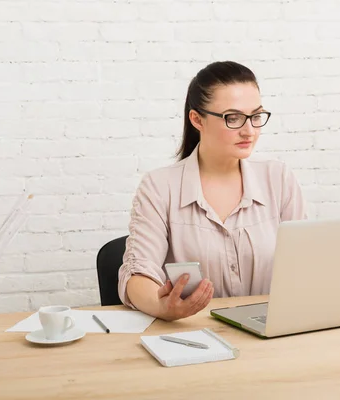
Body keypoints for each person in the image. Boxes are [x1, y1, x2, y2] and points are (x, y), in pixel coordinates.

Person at [118, 60, 307, 321]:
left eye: (256, 116)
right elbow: (138, 273)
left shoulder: (278, 178)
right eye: (234, 118)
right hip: (195, 335)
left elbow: (304, 264)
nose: (249, 130)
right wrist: (162, 307)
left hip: (272, 332)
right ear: (197, 119)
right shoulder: (159, 187)